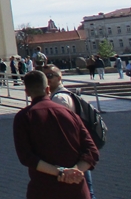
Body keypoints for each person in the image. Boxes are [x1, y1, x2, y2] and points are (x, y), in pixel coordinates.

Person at [13, 70, 99, 199]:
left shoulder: (23, 117)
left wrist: (60, 172)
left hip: (43, 190)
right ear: (48, 89)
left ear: (27, 92)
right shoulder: (69, 113)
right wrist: (74, 171)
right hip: (77, 190)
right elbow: (92, 151)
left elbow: (26, 157)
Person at [43, 65, 99, 199]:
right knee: (86, 189)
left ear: (59, 77)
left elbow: (60, 129)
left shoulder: (59, 99)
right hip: (77, 149)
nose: (47, 79)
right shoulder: (61, 95)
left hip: (71, 151)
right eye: (44, 76)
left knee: (83, 189)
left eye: (50, 75)